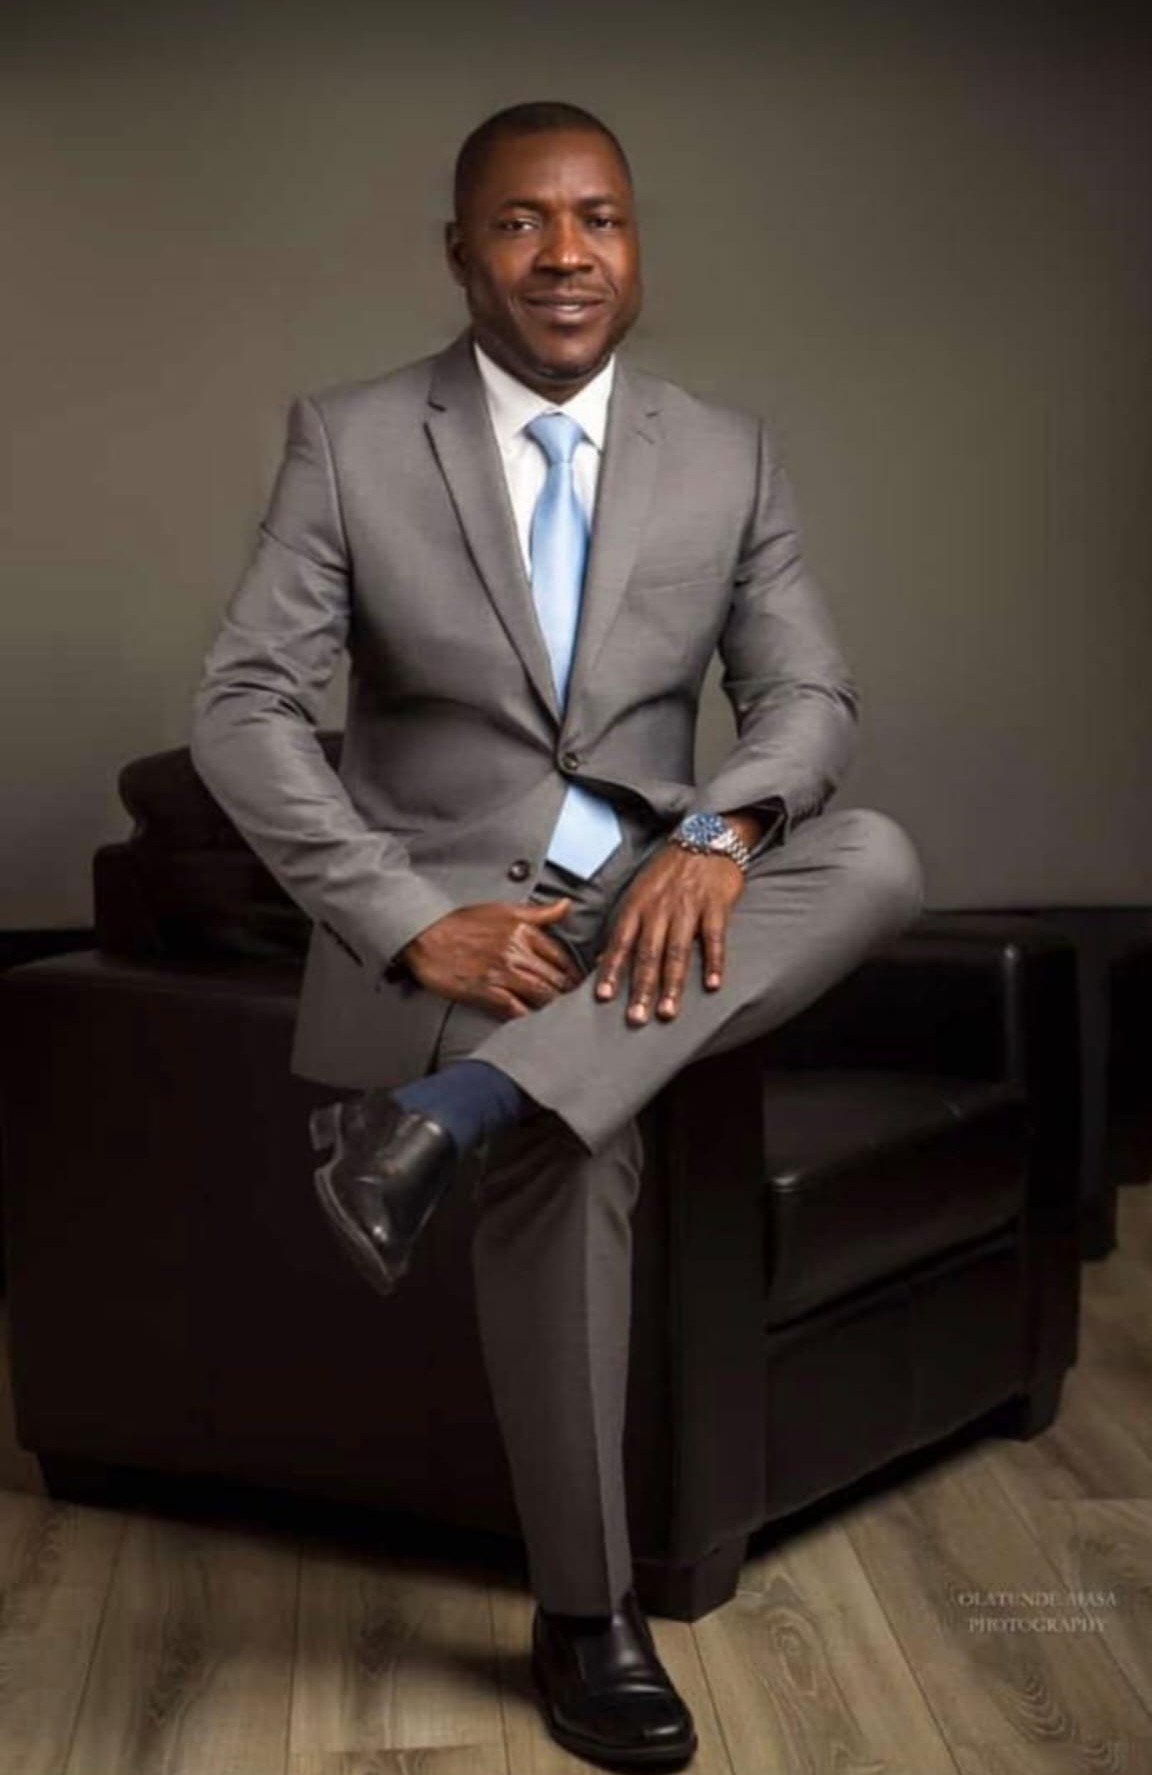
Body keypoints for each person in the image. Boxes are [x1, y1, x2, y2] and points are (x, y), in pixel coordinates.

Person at [190, 99, 923, 1771]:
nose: (567, 254)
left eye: (599, 218)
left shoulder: (727, 452)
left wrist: (723, 838)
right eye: (522, 223)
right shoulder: (354, 438)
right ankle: (586, 1616)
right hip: (475, 928)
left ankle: (437, 1121)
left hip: (655, 908)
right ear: (462, 253)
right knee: (577, 1141)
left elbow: (809, 695)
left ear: (636, 243)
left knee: (870, 848)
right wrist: (406, 922)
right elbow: (240, 710)